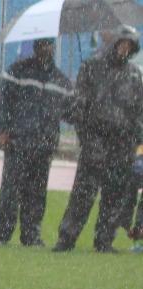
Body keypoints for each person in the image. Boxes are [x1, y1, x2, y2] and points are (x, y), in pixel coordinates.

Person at [53, 25, 143, 253]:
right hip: (96, 140)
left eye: (129, 46)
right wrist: (88, 138)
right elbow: (78, 107)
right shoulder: (91, 67)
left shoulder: (134, 75)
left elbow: (139, 112)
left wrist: (134, 140)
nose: (124, 49)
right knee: (83, 193)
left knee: (113, 195)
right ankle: (67, 238)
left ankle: (104, 240)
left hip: (122, 144)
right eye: (122, 44)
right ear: (114, 44)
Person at [0, 38, 73, 247]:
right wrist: (1, 130)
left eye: (49, 45)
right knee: (11, 190)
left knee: (37, 192)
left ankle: (31, 234)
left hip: (44, 144)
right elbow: (4, 101)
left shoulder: (61, 80)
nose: (46, 48)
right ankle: (1, 234)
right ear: (36, 47)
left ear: (53, 48)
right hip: (18, 141)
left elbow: (70, 113)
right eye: (42, 44)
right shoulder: (17, 71)